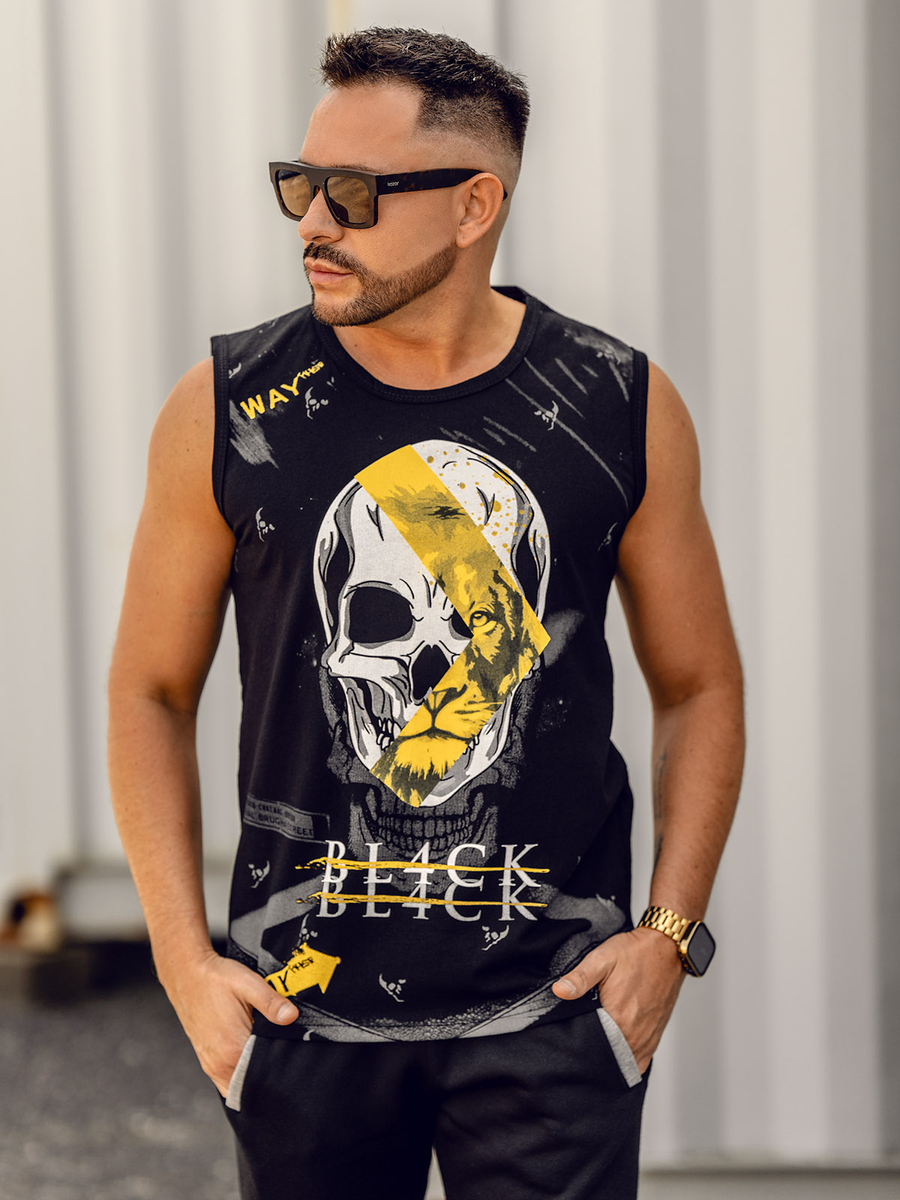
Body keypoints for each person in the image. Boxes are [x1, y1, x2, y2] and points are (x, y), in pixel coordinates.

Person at [108, 26, 744, 1200]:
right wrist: (183, 963)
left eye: (352, 194)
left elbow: (701, 684)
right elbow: (149, 689)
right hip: (298, 1017)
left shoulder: (615, 403)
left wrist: (666, 936)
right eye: (298, 185)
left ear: (473, 206)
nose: (312, 223)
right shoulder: (232, 409)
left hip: (555, 1017)